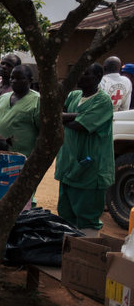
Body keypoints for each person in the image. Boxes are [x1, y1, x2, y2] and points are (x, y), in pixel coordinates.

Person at [56, 63, 115, 236]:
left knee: (87, 216)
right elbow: (56, 115)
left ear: (98, 78)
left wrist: (65, 118)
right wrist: (74, 115)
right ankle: (68, 254)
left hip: (90, 170)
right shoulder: (74, 96)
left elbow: (80, 125)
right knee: (66, 213)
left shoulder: (103, 101)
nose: (80, 76)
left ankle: (86, 255)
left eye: (86, 73)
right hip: (68, 165)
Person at [0, 65, 40, 158]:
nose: (14, 81)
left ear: (30, 80)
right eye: (12, 77)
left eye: (19, 78)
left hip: (20, 159)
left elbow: (44, 131)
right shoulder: (2, 98)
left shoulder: (37, 100)